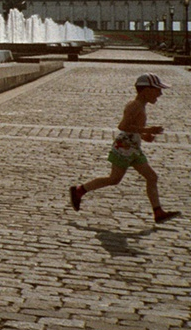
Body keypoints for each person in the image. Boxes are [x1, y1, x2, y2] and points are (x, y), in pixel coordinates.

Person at [70, 72, 180, 224]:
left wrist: (144, 136)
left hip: (132, 147)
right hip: (124, 147)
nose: (160, 94)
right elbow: (123, 126)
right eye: (157, 90)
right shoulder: (135, 105)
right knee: (114, 179)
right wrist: (147, 130)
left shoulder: (140, 105)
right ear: (146, 90)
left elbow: (133, 128)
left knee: (151, 177)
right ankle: (79, 191)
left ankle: (158, 212)